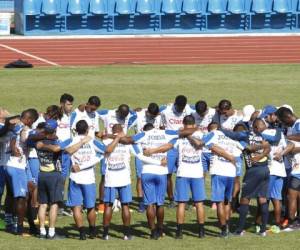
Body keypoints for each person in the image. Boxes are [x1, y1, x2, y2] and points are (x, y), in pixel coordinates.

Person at [102, 124, 166, 240]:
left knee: (108, 205)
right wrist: (158, 163)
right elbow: (140, 156)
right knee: (125, 205)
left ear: (112, 130)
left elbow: (104, 152)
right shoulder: (128, 143)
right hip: (124, 178)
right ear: (122, 131)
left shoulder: (106, 140)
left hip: (110, 177)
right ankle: (127, 234)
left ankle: (105, 234)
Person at [65, 120, 122, 240]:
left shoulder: (71, 140)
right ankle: (92, 230)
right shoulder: (92, 141)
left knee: (76, 207)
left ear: (75, 130)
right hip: (88, 178)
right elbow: (106, 150)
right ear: (87, 130)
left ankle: (81, 233)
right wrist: (116, 139)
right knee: (90, 206)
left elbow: (64, 149)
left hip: (74, 177)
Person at [34, 119, 91, 239]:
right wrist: (82, 141)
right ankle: (51, 232)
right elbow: (67, 148)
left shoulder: (38, 142)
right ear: (55, 129)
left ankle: (42, 231)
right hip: (54, 175)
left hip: (42, 174)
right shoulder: (58, 143)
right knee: (54, 204)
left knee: (43, 205)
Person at [232, 118, 271, 237]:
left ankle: (239, 230)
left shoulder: (243, 140)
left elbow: (249, 149)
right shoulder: (263, 137)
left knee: (245, 198)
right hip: (265, 170)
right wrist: (262, 155)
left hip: (253, 171)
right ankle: (263, 230)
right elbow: (268, 148)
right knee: (262, 199)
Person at [97, 104, 137, 213]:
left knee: (124, 173)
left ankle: (120, 201)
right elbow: (93, 113)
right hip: (108, 144)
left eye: (126, 116)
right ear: (118, 111)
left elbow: (138, 114)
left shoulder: (129, 116)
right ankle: (102, 203)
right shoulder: (108, 113)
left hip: (122, 147)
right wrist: (97, 132)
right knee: (104, 175)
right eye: (122, 115)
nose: (124, 118)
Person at [5, 108, 39, 235]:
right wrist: (14, 147)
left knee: (27, 194)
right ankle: (19, 228)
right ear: (29, 120)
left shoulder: (17, 126)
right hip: (17, 166)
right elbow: (22, 138)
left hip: (19, 166)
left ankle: (30, 225)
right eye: (33, 121)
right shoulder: (23, 128)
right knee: (21, 198)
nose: (33, 123)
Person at [160, 95, 195, 208]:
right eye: (179, 107)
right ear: (174, 104)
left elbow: (204, 108)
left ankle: (182, 199)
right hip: (170, 146)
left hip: (185, 146)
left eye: (182, 108)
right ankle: (171, 199)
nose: (181, 110)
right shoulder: (166, 109)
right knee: (167, 174)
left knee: (184, 173)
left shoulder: (189, 109)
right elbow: (151, 109)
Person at [132, 103, 162, 213]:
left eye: (156, 116)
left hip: (155, 152)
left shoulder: (159, 116)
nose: (154, 118)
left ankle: (154, 200)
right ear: (148, 112)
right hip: (140, 151)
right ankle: (141, 202)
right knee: (140, 177)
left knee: (156, 175)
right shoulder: (138, 115)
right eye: (152, 116)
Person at [276, 107, 300, 230]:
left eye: (282, 121)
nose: (283, 124)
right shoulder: (292, 126)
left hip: (298, 168)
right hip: (294, 166)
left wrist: (287, 139)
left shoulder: (298, 124)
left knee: (291, 195)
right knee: (295, 195)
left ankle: (292, 222)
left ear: (287, 117)